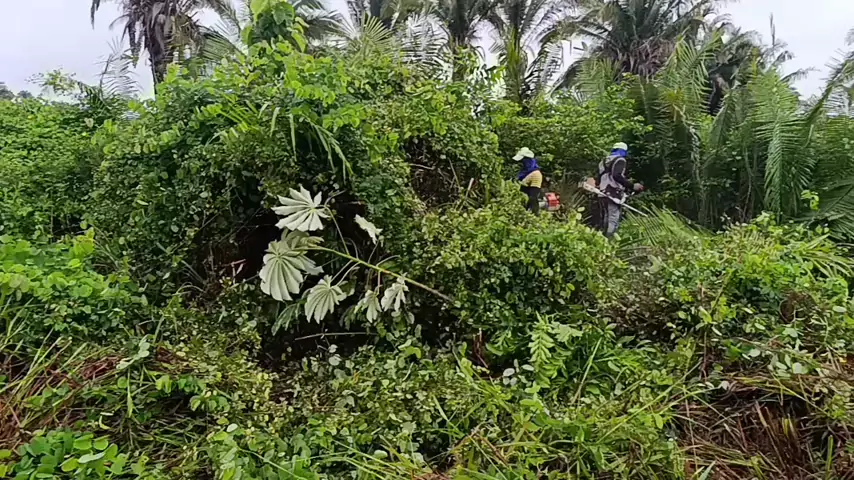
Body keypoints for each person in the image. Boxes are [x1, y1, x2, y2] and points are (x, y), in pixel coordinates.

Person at [596, 142, 643, 237]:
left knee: (606, 217)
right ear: (622, 151)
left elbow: (599, 177)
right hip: (613, 193)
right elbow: (617, 175)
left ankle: (602, 239)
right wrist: (631, 186)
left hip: (602, 192)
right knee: (613, 218)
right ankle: (610, 241)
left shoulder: (603, 161)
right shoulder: (620, 160)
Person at [515, 147, 543, 213]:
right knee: (524, 194)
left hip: (535, 175)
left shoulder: (529, 161)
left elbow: (528, 169)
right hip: (529, 175)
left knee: (533, 197)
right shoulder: (525, 163)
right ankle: (525, 210)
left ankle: (534, 213)